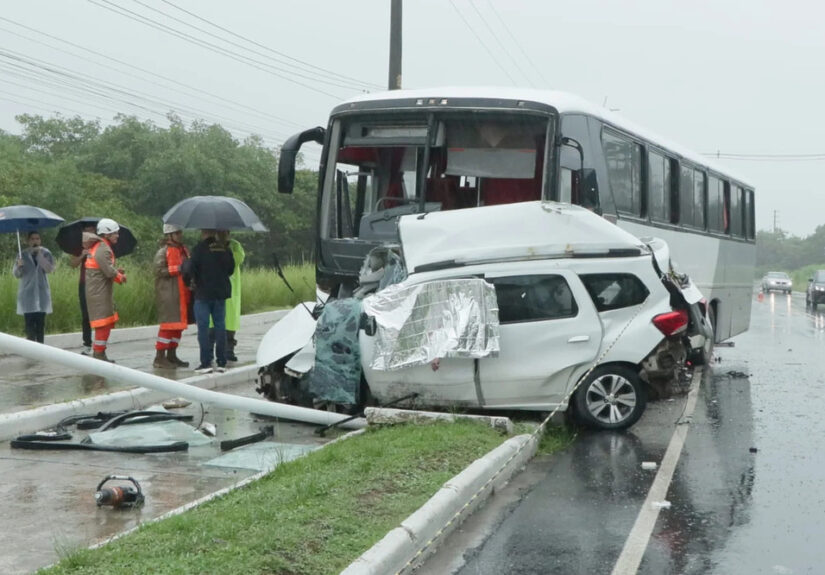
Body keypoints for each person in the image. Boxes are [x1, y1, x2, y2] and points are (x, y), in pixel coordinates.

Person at [189, 229, 234, 374]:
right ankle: (221, 362)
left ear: (203, 232)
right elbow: (231, 269)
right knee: (220, 326)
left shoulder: (198, 249)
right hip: (220, 293)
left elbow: (190, 269)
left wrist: (190, 281)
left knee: (203, 328)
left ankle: (206, 362)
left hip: (203, 294)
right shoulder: (224, 248)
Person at [85, 218, 127, 362]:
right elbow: (109, 272)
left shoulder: (99, 246)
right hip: (99, 293)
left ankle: (100, 354)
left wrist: (116, 271)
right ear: (107, 234)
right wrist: (120, 276)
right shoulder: (103, 248)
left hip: (98, 291)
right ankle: (98, 356)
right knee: (103, 325)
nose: (117, 235)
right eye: (115, 233)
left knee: (105, 324)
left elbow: (103, 268)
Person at [153, 223, 191, 369]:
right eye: (177, 233)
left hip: (182, 293)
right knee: (168, 326)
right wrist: (178, 268)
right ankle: (159, 357)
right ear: (169, 235)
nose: (180, 235)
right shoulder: (163, 252)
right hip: (169, 293)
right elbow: (158, 271)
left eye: (180, 232)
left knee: (177, 327)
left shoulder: (182, 251)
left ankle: (172, 355)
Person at [12, 231, 55, 343]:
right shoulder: (22, 254)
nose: (35, 241)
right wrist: (19, 266)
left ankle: (41, 349)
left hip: (42, 294)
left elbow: (49, 269)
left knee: (40, 325)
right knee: (29, 325)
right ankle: (32, 351)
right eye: (32, 239)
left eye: (37, 239)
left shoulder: (46, 253)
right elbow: (17, 274)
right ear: (28, 241)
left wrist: (39, 256)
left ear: (40, 240)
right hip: (27, 294)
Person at [209, 230, 245, 362]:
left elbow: (234, 261)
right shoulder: (211, 245)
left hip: (231, 291)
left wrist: (224, 251)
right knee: (212, 324)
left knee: (230, 324)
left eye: (225, 232)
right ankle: (210, 351)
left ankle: (229, 350)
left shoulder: (235, 246)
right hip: (214, 290)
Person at [68, 223, 98, 355]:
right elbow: (72, 264)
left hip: (98, 284)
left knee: (98, 314)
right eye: (87, 231)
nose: (89, 234)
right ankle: (87, 344)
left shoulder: (100, 246)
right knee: (86, 315)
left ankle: (99, 344)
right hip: (84, 283)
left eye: (92, 231)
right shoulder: (79, 247)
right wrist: (82, 255)